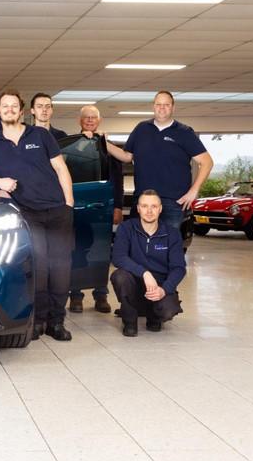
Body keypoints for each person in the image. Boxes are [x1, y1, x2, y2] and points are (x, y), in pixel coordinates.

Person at [0, 90, 75, 341]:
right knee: (39, 269)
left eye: (14, 105)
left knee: (61, 269)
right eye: (5, 106)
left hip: (57, 209)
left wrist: (69, 203)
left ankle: (57, 322)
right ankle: (38, 321)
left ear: (21, 110)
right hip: (27, 214)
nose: (9, 109)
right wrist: (0, 181)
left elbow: (61, 168)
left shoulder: (40, 135)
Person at [105, 90, 214, 231]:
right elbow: (127, 156)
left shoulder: (184, 132)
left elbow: (207, 162)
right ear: (153, 106)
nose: (162, 108)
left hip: (173, 202)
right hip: (143, 199)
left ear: (173, 107)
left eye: (166, 105)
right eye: (159, 104)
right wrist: (103, 143)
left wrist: (194, 190)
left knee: (167, 242)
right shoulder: (141, 129)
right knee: (137, 241)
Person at [69, 104, 124, 314]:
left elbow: (117, 179)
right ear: (80, 121)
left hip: (103, 207)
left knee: (101, 252)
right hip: (77, 207)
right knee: (77, 251)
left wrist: (118, 206)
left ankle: (101, 295)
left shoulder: (108, 147)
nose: (90, 120)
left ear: (99, 120)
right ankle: (76, 296)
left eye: (94, 117)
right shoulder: (72, 146)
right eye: (87, 117)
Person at [110, 190, 185, 337]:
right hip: (134, 283)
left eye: (154, 206)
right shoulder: (126, 228)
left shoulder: (172, 234)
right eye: (144, 206)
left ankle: (154, 316)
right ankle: (130, 320)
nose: (149, 211)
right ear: (138, 209)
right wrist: (144, 273)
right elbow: (118, 257)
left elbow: (179, 268)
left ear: (160, 209)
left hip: (159, 286)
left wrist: (164, 289)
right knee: (119, 276)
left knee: (167, 310)